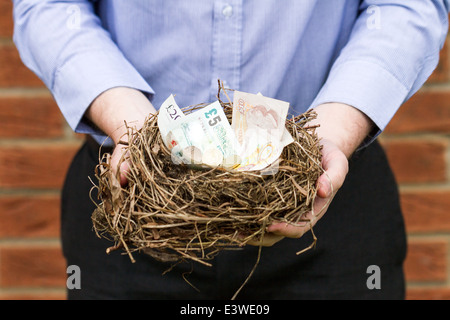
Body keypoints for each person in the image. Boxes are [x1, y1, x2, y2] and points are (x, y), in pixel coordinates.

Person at [12, 0, 449, 300]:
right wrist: (131, 124)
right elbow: (51, 5)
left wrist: (331, 130)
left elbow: (404, 5)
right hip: (139, 207)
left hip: (324, 194)